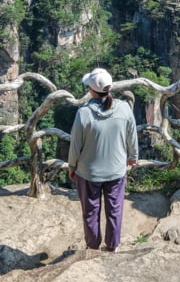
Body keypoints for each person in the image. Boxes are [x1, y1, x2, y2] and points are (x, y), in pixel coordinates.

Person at [68, 68, 138, 252]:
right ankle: (112, 245)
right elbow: (132, 135)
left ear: (91, 90)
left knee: (91, 212)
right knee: (115, 210)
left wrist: (72, 166)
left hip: (88, 173)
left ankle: (92, 247)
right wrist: (133, 157)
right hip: (116, 171)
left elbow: (75, 146)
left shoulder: (83, 114)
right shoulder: (123, 108)